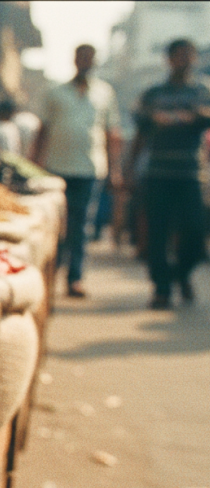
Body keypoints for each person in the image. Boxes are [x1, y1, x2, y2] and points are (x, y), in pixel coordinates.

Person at [32, 44, 121, 298]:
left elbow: (110, 133)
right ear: (74, 60)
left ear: (94, 62)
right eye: (81, 58)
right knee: (57, 223)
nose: (85, 62)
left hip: (90, 168)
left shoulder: (105, 93)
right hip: (56, 167)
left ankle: (75, 278)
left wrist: (115, 170)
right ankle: (52, 273)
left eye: (89, 58)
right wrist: (34, 163)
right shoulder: (55, 92)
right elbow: (43, 130)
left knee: (81, 226)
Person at [129, 39, 210, 309]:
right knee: (158, 233)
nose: (184, 60)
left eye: (188, 55)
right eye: (178, 55)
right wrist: (129, 169)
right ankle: (162, 288)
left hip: (190, 175)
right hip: (158, 173)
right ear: (169, 59)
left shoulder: (202, 92)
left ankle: (182, 274)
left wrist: (191, 117)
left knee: (195, 231)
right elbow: (141, 127)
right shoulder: (153, 94)